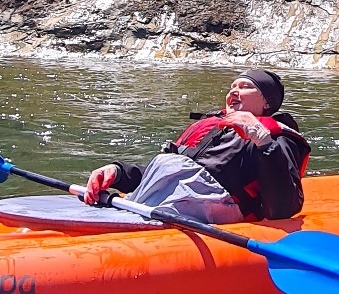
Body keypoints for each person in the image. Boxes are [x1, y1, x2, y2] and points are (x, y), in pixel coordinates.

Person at [82, 68, 309, 223]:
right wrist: (119, 172)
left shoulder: (276, 138)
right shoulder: (212, 126)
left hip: (209, 209)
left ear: (267, 101)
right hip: (170, 201)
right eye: (232, 86)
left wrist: (263, 141)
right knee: (167, 161)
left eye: (246, 86)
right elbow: (168, 173)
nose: (233, 91)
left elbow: (283, 207)